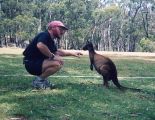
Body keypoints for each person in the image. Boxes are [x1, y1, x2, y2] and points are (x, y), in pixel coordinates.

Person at [23, 20, 82, 89]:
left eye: (63, 30)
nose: (63, 32)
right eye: (60, 29)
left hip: (35, 62)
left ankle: (42, 80)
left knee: (58, 61)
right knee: (57, 63)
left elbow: (57, 52)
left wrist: (72, 53)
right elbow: (40, 45)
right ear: (52, 28)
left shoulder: (50, 39)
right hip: (31, 63)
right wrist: (52, 57)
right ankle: (38, 81)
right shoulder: (44, 35)